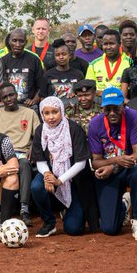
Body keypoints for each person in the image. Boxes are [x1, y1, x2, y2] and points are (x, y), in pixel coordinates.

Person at [87, 87, 137, 239]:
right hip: (110, 169)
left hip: (130, 166)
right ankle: (124, 204)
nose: (112, 113)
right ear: (102, 108)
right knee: (109, 228)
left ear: (123, 105)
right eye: (108, 109)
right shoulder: (95, 124)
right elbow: (95, 162)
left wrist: (115, 165)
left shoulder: (134, 117)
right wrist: (115, 161)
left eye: (116, 108)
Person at [29, 96, 93, 237]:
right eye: (47, 113)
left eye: (55, 112)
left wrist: (60, 180)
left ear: (62, 111)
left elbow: (81, 163)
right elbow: (40, 161)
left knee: (74, 229)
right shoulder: (41, 130)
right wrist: (47, 175)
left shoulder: (74, 129)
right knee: (36, 186)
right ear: (42, 114)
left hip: (74, 181)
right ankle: (49, 222)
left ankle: (67, 210)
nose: (51, 117)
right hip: (51, 177)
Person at [0, 83, 39, 218]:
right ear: (1, 99)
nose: (9, 99)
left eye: (11, 95)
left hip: (23, 153)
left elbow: (39, 135)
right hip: (2, 155)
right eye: (5, 97)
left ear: (16, 94)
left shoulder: (30, 113)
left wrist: (33, 147)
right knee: (3, 166)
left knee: (24, 164)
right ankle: (3, 210)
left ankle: (24, 208)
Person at [0, 28, 46, 106]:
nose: (17, 44)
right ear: (9, 41)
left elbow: (41, 86)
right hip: (7, 107)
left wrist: (33, 101)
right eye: (14, 40)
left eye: (21, 41)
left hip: (28, 107)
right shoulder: (3, 61)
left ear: (25, 42)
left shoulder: (34, 60)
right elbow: (0, 86)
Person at [85, 28, 133, 96]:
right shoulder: (94, 64)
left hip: (121, 103)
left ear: (119, 44)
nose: (108, 47)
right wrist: (100, 93)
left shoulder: (130, 62)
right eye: (105, 44)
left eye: (111, 43)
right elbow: (88, 88)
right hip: (100, 103)